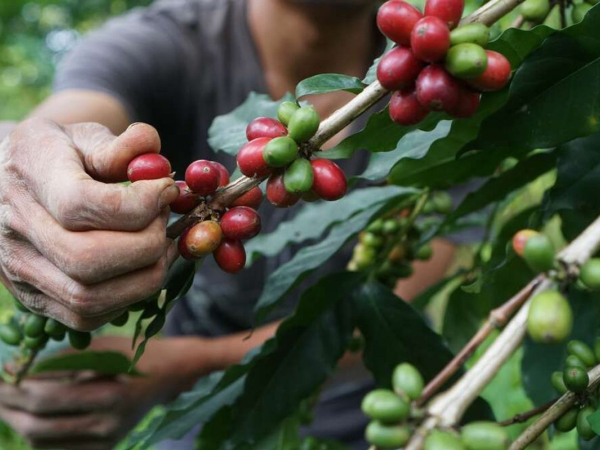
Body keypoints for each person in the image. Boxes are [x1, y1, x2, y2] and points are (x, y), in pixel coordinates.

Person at [0, 0, 458, 449]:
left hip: (367, 408)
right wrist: (21, 164)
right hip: (201, 417)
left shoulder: (445, 100)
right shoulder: (166, 42)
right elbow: (59, 124)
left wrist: (183, 366)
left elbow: (388, 310)